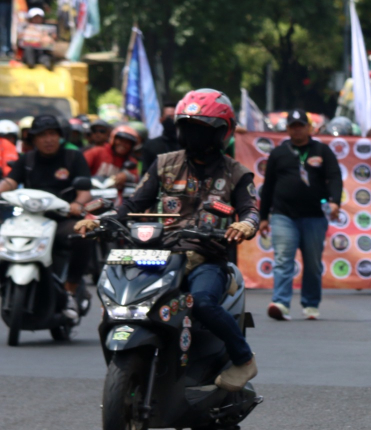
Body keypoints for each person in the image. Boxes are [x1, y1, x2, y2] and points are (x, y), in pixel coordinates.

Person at [78, 89, 261, 391]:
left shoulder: (236, 173)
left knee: (202, 302)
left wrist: (244, 224)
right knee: (123, 298)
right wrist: (100, 220)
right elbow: (133, 204)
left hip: (207, 259)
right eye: (187, 128)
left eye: (200, 129)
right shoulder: (164, 163)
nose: (192, 135)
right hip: (158, 255)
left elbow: (251, 210)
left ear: (221, 132)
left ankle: (244, 360)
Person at [0, 115, 92, 321]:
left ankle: (70, 291)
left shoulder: (73, 157)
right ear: (33, 139)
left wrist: (77, 204)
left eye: (52, 134)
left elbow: (85, 190)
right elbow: (10, 182)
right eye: (42, 135)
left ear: (60, 136)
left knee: (83, 235)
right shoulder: (27, 160)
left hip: (62, 219)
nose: (48, 139)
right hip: (30, 220)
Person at [259, 109, 342, 321]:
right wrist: (263, 217)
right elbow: (268, 187)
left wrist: (334, 201)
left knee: (313, 263)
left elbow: (334, 177)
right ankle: (280, 303)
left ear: (309, 128)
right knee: (283, 260)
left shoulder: (322, 151)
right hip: (283, 215)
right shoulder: (279, 153)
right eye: (293, 126)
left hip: (314, 216)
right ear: (287, 129)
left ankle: (311, 304)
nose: (297, 130)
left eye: (300, 125)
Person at [83, 124, 141, 204]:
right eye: (120, 140)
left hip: (115, 201)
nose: (123, 145)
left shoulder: (131, 161)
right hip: (91, 196)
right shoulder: (97, 152)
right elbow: (80, 168)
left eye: (127, 143)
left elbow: (136, 177)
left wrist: (126, 175)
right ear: (113, 139)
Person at [137, 101, 179, 173]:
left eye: (174, 117)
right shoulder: (150, 145)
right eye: (168, 117)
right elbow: (145, 173)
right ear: (161, 120)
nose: (171, 120)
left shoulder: (186, 145)